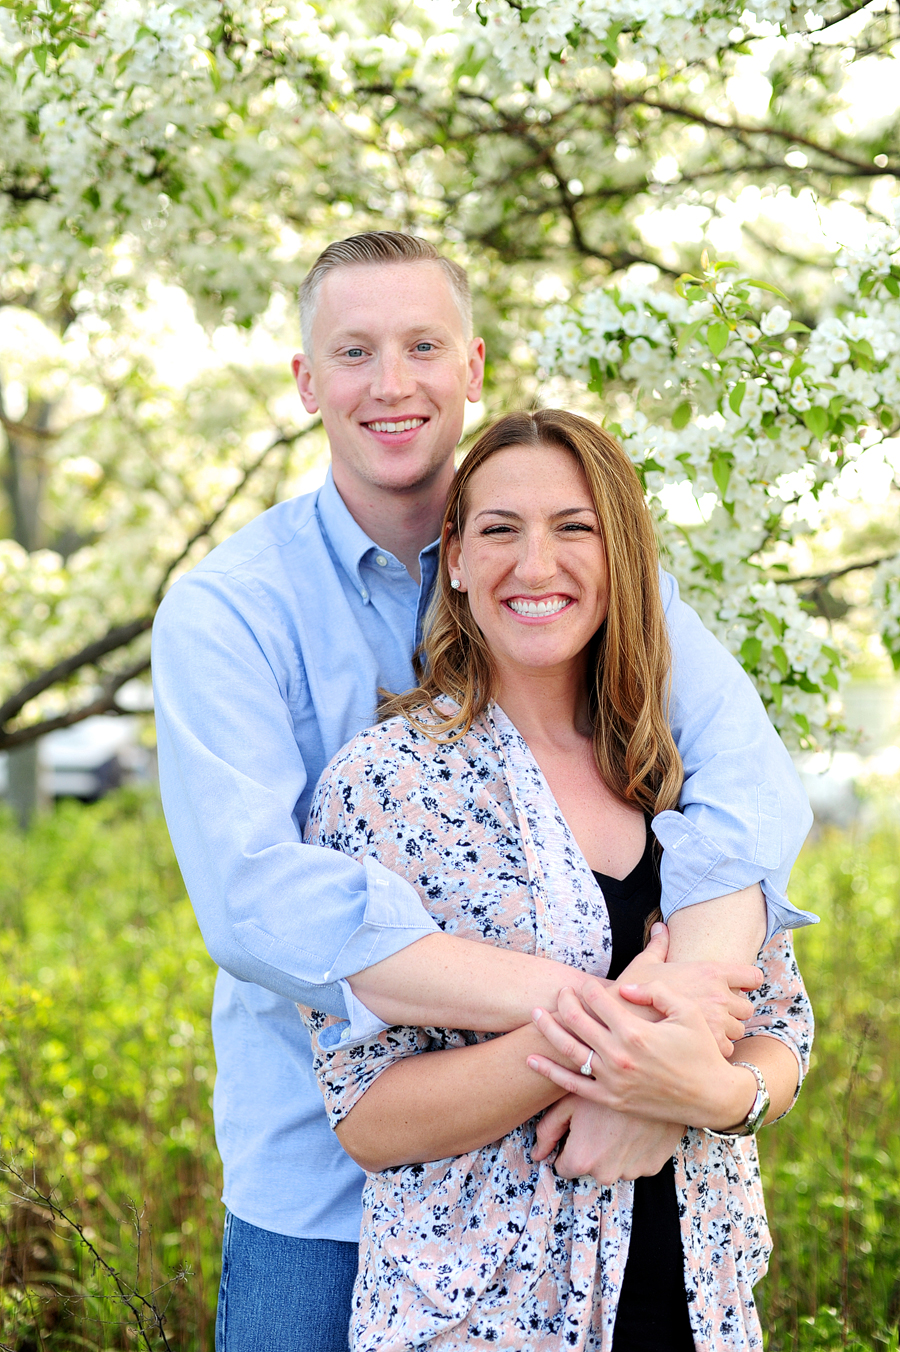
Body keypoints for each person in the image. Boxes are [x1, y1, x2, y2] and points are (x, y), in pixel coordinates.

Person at [150, 232, 815, 1351]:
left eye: (422, 344)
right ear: (307, 382)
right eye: (353, 351)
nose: (392, 382)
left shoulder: (575, 572)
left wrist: (674, 1082)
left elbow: (748, 794)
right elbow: (260, 902)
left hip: (625, 1214)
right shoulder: (232, 612)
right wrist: (614, 1027)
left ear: (473, 364)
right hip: (320, 1187)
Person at [299, 409, 813, 1351]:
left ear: (623, 557)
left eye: (573, 528)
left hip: (701, 1300)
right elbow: (368, 1117)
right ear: (452, 558)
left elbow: (779, 1031)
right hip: (482, 1318)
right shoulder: (387, 784)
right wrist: (609, 1043)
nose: (536, 566)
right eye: (499, 529)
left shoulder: (682, 772)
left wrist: (709, 1098)